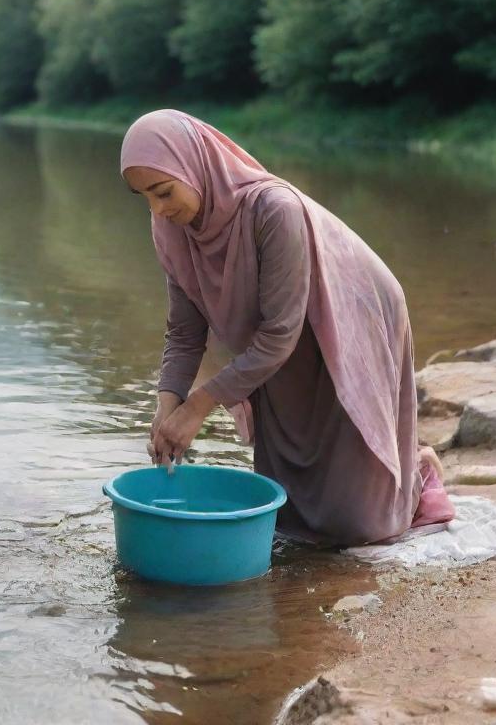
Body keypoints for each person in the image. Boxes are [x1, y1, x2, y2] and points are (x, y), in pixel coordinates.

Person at [121, 109, 453, 547]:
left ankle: (418, 471)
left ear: (194, 165)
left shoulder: (272, 210)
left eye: (163, 192)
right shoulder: (172, 229)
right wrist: (167, 407)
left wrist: (198, 407)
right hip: (275, 340)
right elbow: (184, 333)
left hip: (346, 317)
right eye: (145, 197)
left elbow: (280, 334)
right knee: (290, 518)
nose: (158, 209)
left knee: (363, 529)